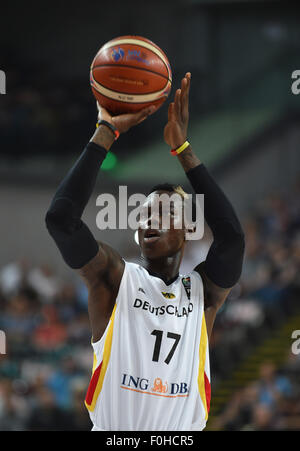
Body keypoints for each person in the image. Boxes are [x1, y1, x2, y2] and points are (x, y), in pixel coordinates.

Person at [45, 72, 245, 431]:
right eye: (145, 213)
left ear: (187, 229)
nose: (152, 218)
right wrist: (106, 129)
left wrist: (183, 150)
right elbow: (61, 219)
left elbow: (232, 239)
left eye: (167, 211)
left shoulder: (204, 295)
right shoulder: (115, 280)